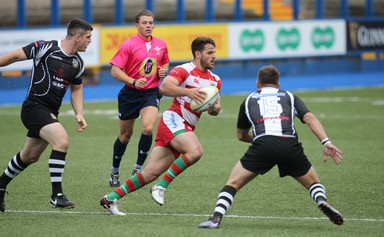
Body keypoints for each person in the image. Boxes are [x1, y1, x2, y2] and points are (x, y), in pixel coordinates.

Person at [198, 65, 344, 228]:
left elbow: (241, 135)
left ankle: (215, 218)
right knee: (313, 183)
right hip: (289, 144)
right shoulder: (289, 96)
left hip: (262, 144)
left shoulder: (248, 100)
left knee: (233, 183)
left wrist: (263, 138)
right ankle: (321, 201)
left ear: (257, 83)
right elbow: (309, 118)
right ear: (278, 84)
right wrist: (326, 142)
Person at [100, 36, 222, 215]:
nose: (214, 56)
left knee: (149, 173)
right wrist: (189, 92)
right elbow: (164, 88)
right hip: (173, 120)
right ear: (198, 54)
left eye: (214, 53)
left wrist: (211, 107)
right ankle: (161, 187)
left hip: (187, 126)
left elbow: (217, 107)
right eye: (210, 53)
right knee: (195, 151)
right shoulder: (184, 70)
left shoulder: (215, 80)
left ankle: (110, 199)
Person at [0, 18, 93, 212]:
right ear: (77, 37)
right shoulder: (45, 48)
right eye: (88, 37)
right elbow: (13, 57)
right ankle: (56, 195)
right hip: (33, 108)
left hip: (51, 112)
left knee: (30, 156)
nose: (90, 41)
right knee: (62, 141)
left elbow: (76, 89)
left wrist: (79, 113)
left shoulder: (77, 62)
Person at [108, 9, 170, 187]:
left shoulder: (161, 44)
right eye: (144, 23)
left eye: (150, 23)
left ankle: (137, 169)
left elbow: (165, 60)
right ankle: (114, 170)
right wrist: (133, 81)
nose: (148, 26)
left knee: (148, 129)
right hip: (130, 94)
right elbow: (114, 70)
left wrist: (163, 70)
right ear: (137, 25)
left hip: (151, 92)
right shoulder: (128, 45)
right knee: (125, 135)